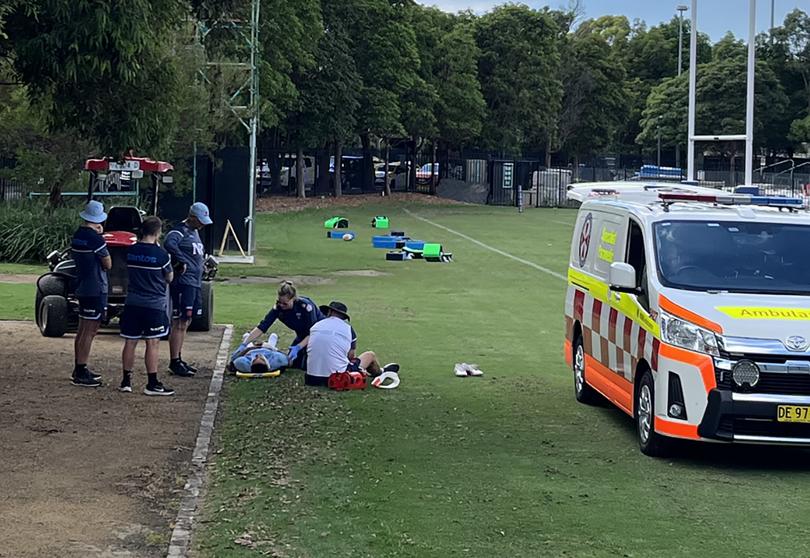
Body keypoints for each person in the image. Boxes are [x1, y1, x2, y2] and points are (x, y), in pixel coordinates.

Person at [118, 216, 175, 396]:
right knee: (153, 342)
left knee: (130, 341)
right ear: (157, 232)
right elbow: (169, 277)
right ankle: (152, 383)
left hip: (133, 301)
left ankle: (126, 380)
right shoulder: (161, 255)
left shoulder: (131, 251)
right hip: (154, 304)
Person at [164, 202, 212, 377]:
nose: (202, 224)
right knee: (180, 321)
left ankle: (178, 357)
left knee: (187, 320)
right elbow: (169, 243)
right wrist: (180, 261)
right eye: (200, 220)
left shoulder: (195, 233)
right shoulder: (180, 231)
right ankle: (174, 360)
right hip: (184, 282)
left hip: (194, 282)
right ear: (192, 217)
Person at [302, 301, 399, 387]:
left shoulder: (316, 326)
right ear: (343, 316)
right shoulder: (347, 328)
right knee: (370, 355)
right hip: (337, 378)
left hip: (311, 378)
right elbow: (351, 356)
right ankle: (380, 372)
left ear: (329, 312)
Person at [70, 200, 112, 387]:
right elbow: (108, 263)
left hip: (82, 285)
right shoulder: (96, 239)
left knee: (82, 329)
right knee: (90, 330)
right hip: (95, 288)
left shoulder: (78, 235)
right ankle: (81, 369)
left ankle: (80, 367)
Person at [241, 280, 324, 370]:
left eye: (285, 303)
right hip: (302, 335)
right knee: (291, 363)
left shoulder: (305, 307)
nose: (282, 305)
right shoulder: (278, 308)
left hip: (319, 335)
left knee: (307, 366)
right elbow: (262, 327)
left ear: (293, 299)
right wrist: (245, 343)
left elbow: (313, 332)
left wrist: (298, 347)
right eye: (279, 302)